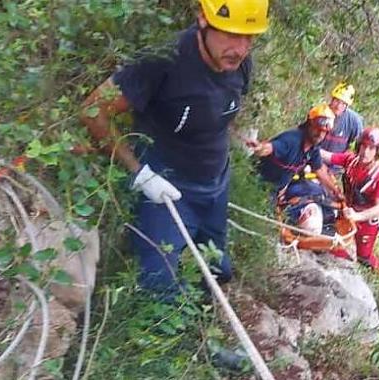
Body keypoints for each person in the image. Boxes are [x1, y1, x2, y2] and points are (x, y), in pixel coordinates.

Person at [79, 0, 269, 296]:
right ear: (203, 19)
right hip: (166, 186)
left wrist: (234, 138)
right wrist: (140, 173)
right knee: (158, 287)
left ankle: (204, 324)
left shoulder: (240, 63)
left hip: (215, 185)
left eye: (249, 37)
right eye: (231, 34)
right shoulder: (164, 60)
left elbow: (217, 108)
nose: (241, 48)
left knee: (217, 272)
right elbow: (94, 110)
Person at [322, 127, 379, 273]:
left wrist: (358, 216)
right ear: (358, 146)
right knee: (337, 246)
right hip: (347, 212)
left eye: (371, 148)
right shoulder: (350, 160)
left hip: (367, 221)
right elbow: (327, 156)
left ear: (378, 152)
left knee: (364, 257)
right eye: (363, 146)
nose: (366, 151)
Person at [249, 104, 341, 197]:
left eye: (324, 132)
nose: (320, 135)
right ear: (309, 125)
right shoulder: (291, 140)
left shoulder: (313, 148)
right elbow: (271, 148)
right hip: (254, 183)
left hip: (273, 191)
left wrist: (336, 192)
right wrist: (260, 148)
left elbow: (320, 170)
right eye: (317, 129)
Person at [319, 82, 364, 175]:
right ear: (332, 99)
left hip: (336, 169)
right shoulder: (319, 113)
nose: (339, 106)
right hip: (313, 162)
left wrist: (344, 159)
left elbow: (358, 146)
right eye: (337, 101)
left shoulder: (354, 121)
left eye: (343, 103)